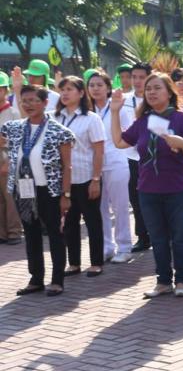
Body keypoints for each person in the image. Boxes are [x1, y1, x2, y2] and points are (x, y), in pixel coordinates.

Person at [110, 74, 183, 297]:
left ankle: (182, 280)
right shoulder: (144, 121)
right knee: (158, 239)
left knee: (180, 237)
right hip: (148, 189)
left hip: (178, 189)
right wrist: (114, 112)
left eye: (157, 88)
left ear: (169, 92)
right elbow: (120, 142)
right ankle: (163, 281)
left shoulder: (182, 119)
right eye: (148, 89)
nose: (151, 92)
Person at [0, 85, 75, 296]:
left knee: (54, 234)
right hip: (23, 190)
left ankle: (57, 280)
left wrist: (66, 195)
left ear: (45, 103)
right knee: (31, 234)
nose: (29, 104)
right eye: (25, 100)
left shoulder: (59, 132)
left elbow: (67, 166)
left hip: (48, 191)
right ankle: (36, 279)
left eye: (34, 100)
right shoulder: (13, 127)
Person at [55, 76, 106, 278]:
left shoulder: (91, 118)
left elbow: (99, 151)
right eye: (62, 89)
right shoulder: (54, 117)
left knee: (92, 221)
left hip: (86, 178)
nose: (65, 93)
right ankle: (74, 263)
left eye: (70, 89)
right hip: (64, 180)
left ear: (81, 93)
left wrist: (96, 179)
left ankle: (96, 262)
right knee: (69, 223)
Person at [87, 71, 134, 264]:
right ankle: (106, 246)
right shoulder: (86, 110)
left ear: (108, 88)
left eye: (100, 85)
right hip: (94, 165)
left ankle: (124, 247)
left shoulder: (118, 107)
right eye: (91, 85)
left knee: (120, 207)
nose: (95, 89)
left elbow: (128, 134)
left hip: (116, 162)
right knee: (99, 208)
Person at [126, 62, 152, 252]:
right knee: (136, 199)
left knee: (157, 197)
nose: (137, 81)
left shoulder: (156, 99)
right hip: (131, 157)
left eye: (141, 77)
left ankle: (162, 234)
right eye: (134, 77)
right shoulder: (124, 100)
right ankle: (142, 236)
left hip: (154, 157)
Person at [0, 71, 24, 245]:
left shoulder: (13, 112)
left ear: (5, 90)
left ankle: (14, 231)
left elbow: (17, 140)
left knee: (10, 196)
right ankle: (1, 233)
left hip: (6, 155)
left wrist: (8, 162)